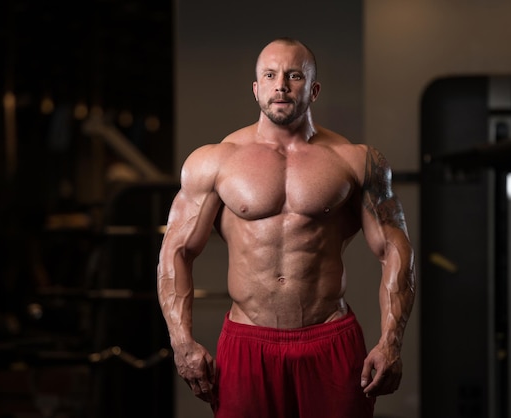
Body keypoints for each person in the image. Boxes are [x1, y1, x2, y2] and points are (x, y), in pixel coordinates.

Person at [157, 37, 415, 418]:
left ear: (313, 89)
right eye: (270, 75)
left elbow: (395, 249)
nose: (281, 85)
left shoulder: (354, 160)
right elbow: (176, 251)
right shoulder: (215, 161)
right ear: (256, 88)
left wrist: (391, 342)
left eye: (294, 76)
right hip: (247, 342)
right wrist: (182, 343)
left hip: (329, 338)